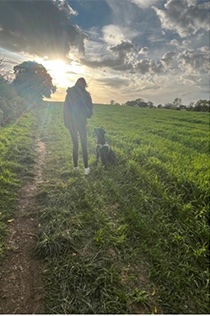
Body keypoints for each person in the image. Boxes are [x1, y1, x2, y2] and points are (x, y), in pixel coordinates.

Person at [63, 77, 93, 175]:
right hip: (79, 122)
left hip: (72, 123)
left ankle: (77, 167)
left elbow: (65, 109)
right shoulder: (86, 95)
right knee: (83, 144)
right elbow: (89, 113)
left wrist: (66, 122)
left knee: (76, 145)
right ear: (85, 85)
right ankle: (85, 168)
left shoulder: (70, 94)